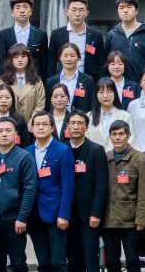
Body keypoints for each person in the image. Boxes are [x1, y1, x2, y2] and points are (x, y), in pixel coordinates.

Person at [26, 111, 76, 272]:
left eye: (45, 124)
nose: (40, 127)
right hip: (34, 215)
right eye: (37, 124)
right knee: (43, 262)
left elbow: (68, 186)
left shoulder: (63, 150)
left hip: (55, 214)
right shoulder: (26, 152)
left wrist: (64, 214)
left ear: (52, 127)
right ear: (32, 128)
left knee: (58, 261)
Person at [0, 118, 37, 272]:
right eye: (0, 131)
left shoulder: (24, 157)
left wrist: (22, 218)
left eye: (8, 131)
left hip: (14, 220)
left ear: (16, 134)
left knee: (18, 263)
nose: (4, 134)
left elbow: (30, 189)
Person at [100, 120, 145, 272]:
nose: (117, 137)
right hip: (108, 219)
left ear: (128, 135)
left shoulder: (140, 159)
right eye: (114, 134)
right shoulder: (105, 157)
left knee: (133, 260)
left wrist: (141, 219)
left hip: (131, 220)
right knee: (112, 261)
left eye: (121, 134)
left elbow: (144, 193)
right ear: (110, 136)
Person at [63, 112, 107, 272]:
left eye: (80, 123)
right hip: (67, 214)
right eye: (72, 123)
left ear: (86, 127)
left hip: (88, 215)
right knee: (73, 260)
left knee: (91, 260)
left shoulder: (96, 150)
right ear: (67, 127)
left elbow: (101, 185)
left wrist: (96, 213)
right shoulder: (61, 149)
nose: (76, 127)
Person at [49, 0, 105, 82]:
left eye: (81, 10)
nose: (77, 14)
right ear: (67, 12)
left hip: (88, 83)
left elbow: (101, 64)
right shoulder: (57, 34)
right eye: (74, 10)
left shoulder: (96, 35)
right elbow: (51, 63)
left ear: (86, 13)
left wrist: (99, 84)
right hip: (63, 83)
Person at [103, 0, 145, 78]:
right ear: (117, 11)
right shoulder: (112, 34)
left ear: (136, 10)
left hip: (142, 83)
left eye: (129, 7)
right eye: (121, 8)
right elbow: (107, 62)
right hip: (117, 84)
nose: (125, 10)